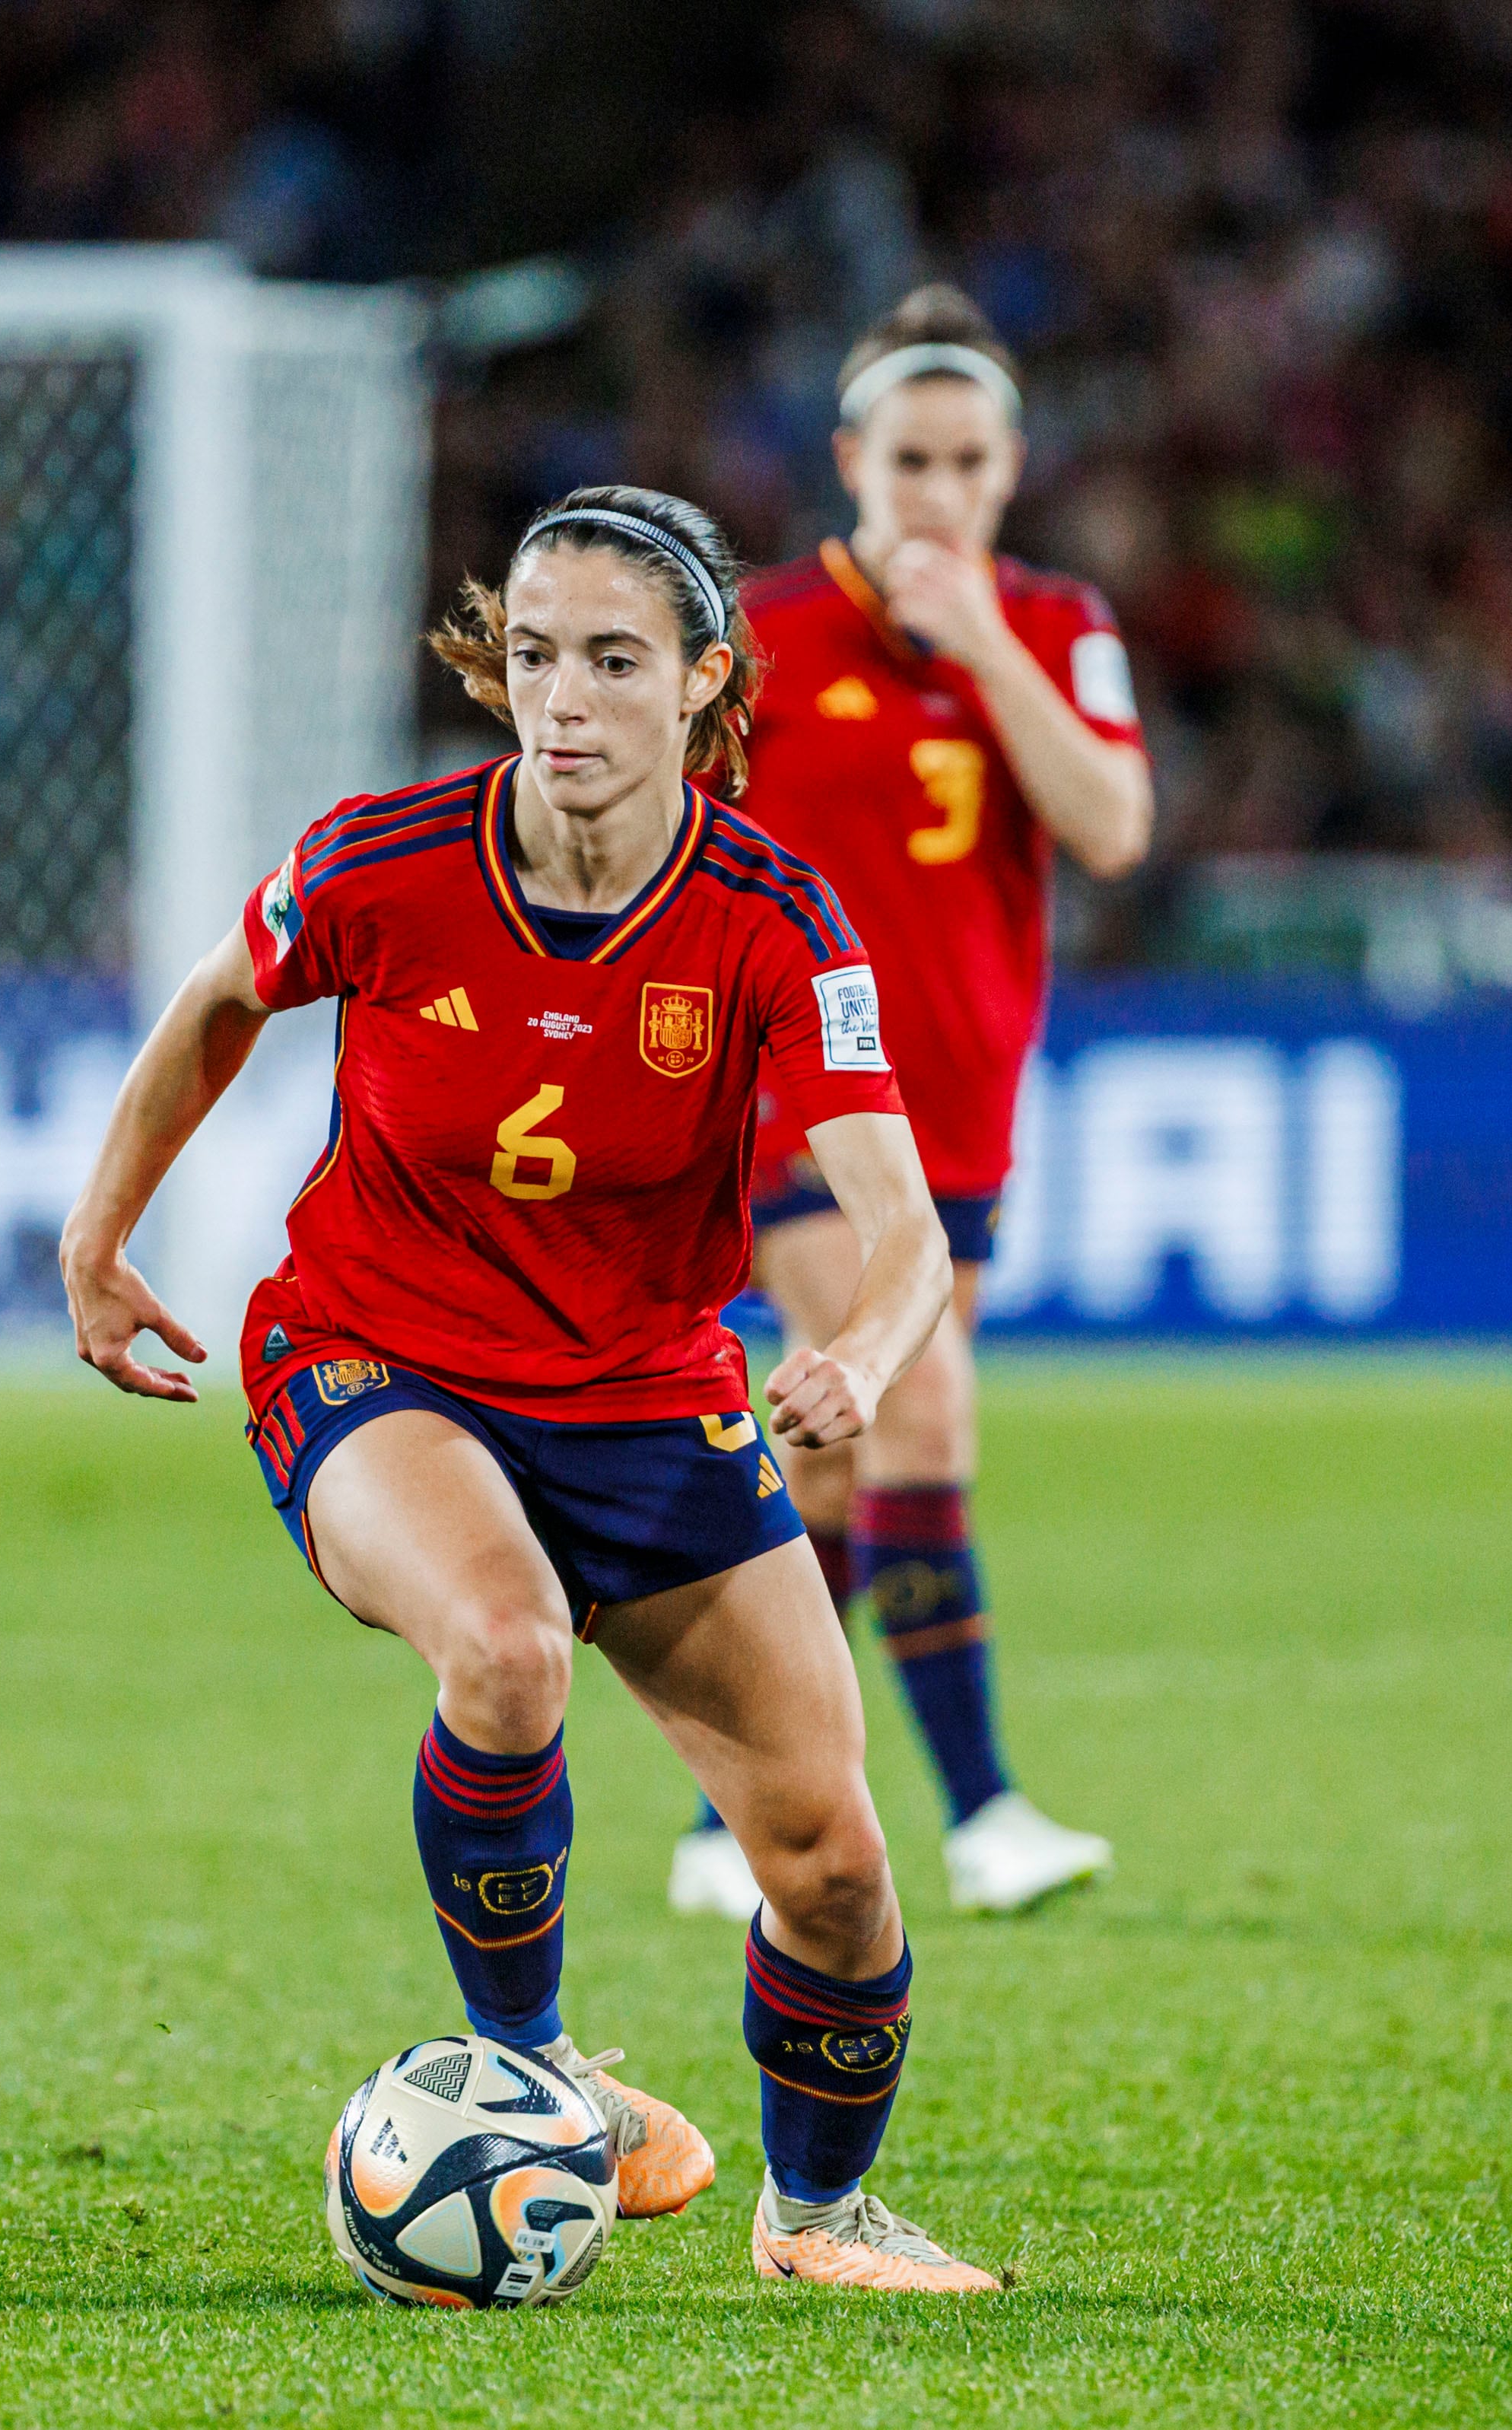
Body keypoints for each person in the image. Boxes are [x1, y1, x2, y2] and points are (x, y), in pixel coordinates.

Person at [61, 484, 1000, 2295]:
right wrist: (98, 1244)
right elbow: (208, 1008)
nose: (559, 699)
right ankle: (531, 2064)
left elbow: (903, 1229)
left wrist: (862, 1354)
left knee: (830, 1862)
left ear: (702, 681)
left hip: (647, 1394)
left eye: (611, 661)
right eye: (532, 656)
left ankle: (814, 2218)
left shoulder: (773, 922)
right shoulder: (380, 857)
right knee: (501, 1648)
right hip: (372, 1351)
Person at [669, 288, 1153, 1925]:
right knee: (920, 1409)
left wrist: (986, 652)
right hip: (788, 1107)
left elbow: (1107, 826)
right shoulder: (757, 631)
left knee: (822, 1467)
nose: (935, 491)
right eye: (906, 459)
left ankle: (714, 1808)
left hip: (957, 1116)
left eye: (965, 460)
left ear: (1008, 468)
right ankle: (984, 1810)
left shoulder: (1052, 623)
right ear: (847, 462)